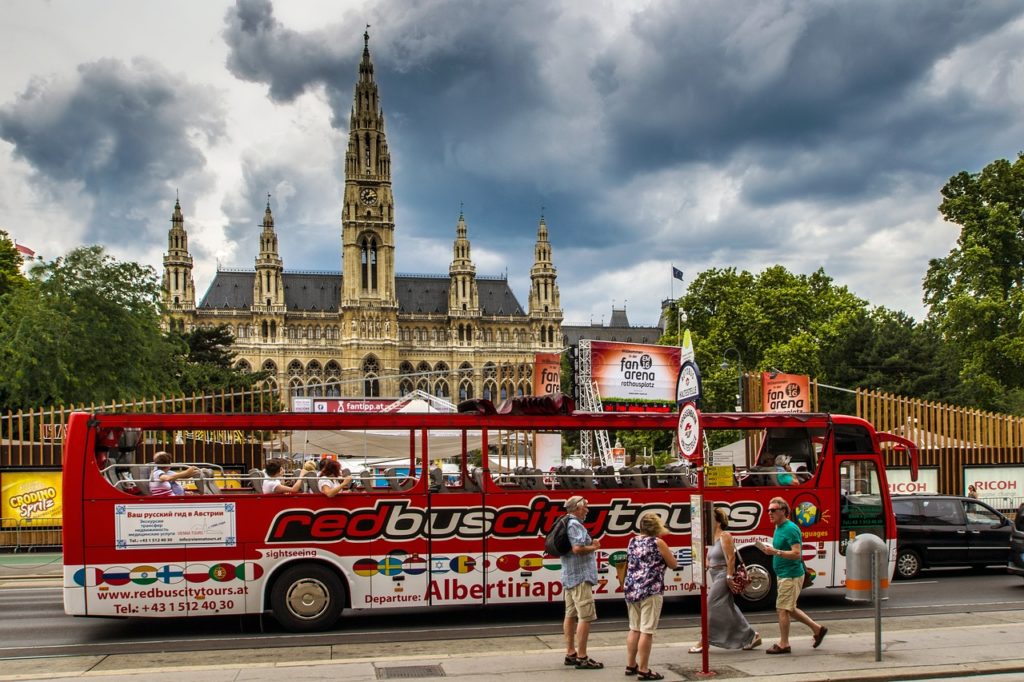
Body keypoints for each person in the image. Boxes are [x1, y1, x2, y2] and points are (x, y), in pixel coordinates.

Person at [690, 507, 760, 654]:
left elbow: (731, 558)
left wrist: (729, 577)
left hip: (723, 575)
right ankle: (752, 636)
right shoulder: (711, 538)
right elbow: (709, 563)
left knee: (710, 605)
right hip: (715, 575)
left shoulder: (725, 535)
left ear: (718, 520)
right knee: (728, 607)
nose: (705, 520)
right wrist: (696, 578)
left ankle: (704, 640)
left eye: (709, 517)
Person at [764, 496, 827, 654]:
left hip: (790, 575)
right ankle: (818, 629)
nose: (769, 513)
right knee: (790, 608)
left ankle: (784, 644)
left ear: (783, 511)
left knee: (782, 609)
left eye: (773, 510)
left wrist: (775, 552)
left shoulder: (790, 528)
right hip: (783, 574)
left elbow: (797, 554)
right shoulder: (778, 527)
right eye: (768, 510)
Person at [624, 512, 678, 680]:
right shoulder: (658, 543)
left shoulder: (632, 541)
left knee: (634, 628)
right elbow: (673, 564)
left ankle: (631, 664)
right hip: (650, 589)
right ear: (656, 527)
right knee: (647, 630)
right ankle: (644, 669)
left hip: (632, 589)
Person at [561, 495, 603, 670]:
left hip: (569, 576)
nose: (587, 509)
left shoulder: (565, 522)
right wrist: (594, 547)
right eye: (585, 506)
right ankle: (582, 656)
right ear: (577, 508)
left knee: (570, 614)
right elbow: (578, 548)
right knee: (585, 616)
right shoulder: (575, 524)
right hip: (580, 577)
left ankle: (571, 652)